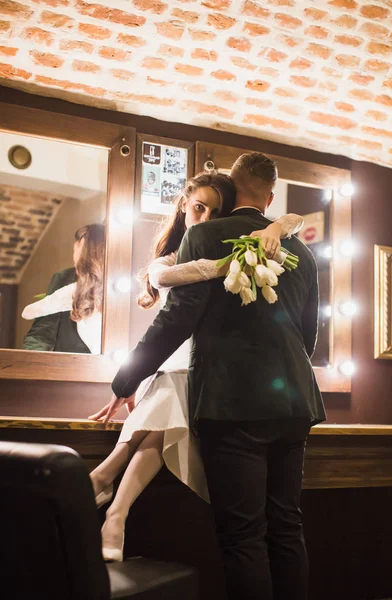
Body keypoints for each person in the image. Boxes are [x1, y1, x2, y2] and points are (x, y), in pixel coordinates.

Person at [89, 171, 305, 564]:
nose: (205, 219)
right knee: (286, 526)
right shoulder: (173, 258)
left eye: (215, 211)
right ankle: (114, 508)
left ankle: (107, 480)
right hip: (236, 383)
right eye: (198, 208)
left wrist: (125, 381)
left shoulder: (215, 242)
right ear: (183, 206)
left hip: (210, 376)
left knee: (175, 384)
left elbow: (176, 321)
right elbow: (307, 337)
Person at [22, 224, 105, 354]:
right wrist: (29, 364)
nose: (74, 255)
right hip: (65, 365)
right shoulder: (64, 279)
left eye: (77, 249)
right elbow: (42, 331)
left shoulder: (116, 284)